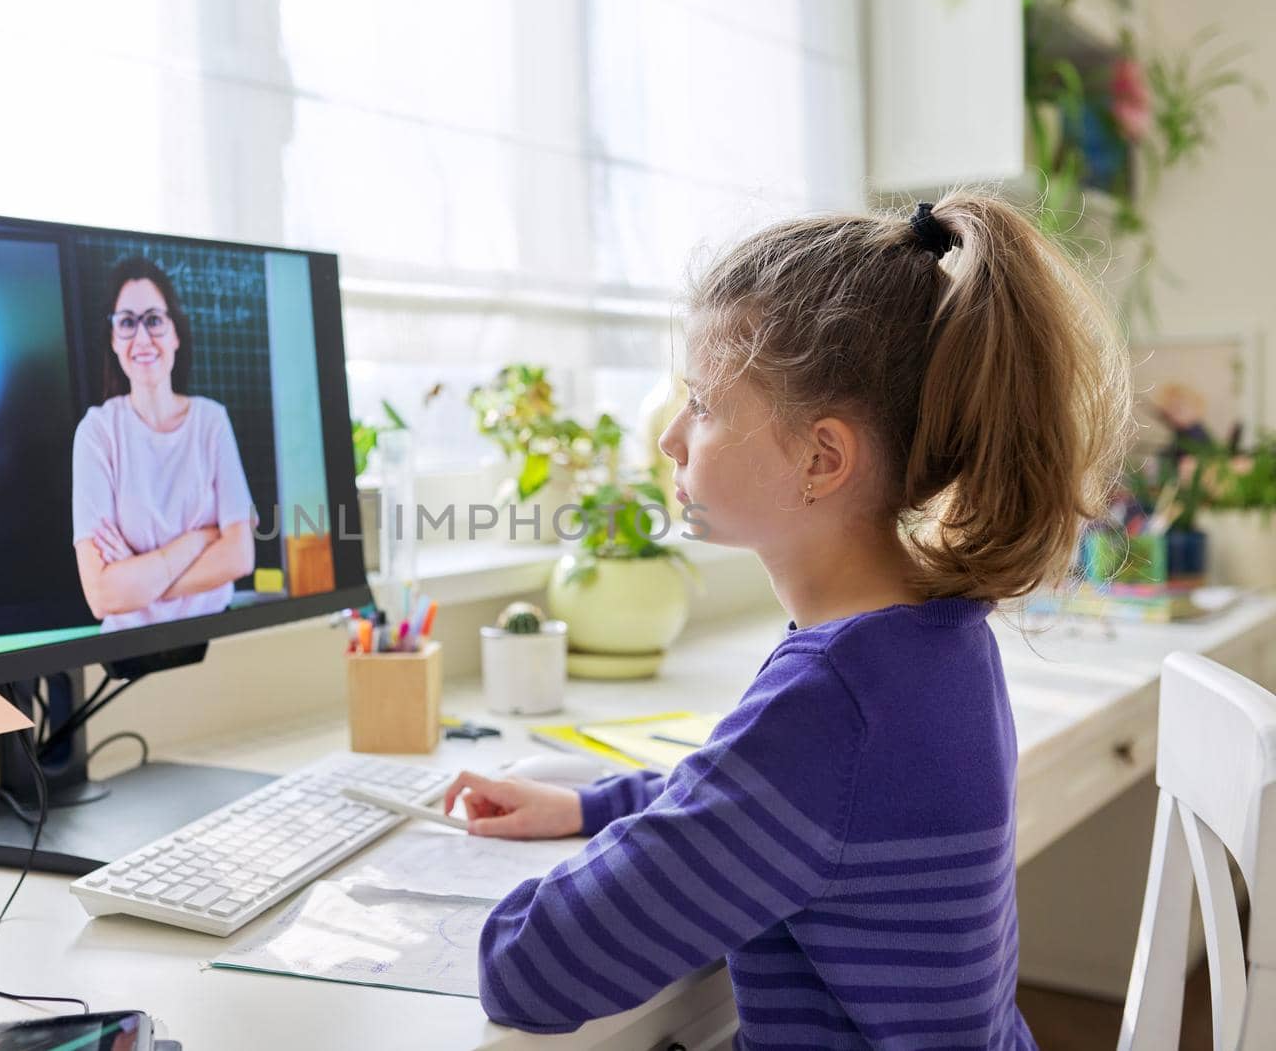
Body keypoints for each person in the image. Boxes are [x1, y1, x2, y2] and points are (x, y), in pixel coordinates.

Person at [444, 195, 1130, 1047]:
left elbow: (530, 970)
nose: (669, 441)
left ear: (821, 459)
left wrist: (533, 877)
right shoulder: (933, 634)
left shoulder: (832, 701)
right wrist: (590, 806)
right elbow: (766, 795)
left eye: (703, 402)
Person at [72, 258, 255, 631]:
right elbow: (102, 596)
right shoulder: (98, 432)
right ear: (113, 340)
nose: (142, 339)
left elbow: (239, 556)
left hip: (215, 642)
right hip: (127, 653)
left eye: (154, 320)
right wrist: (198, 542)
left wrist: (141, 579)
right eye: (126, 323)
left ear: (175, 333)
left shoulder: (211, 421)